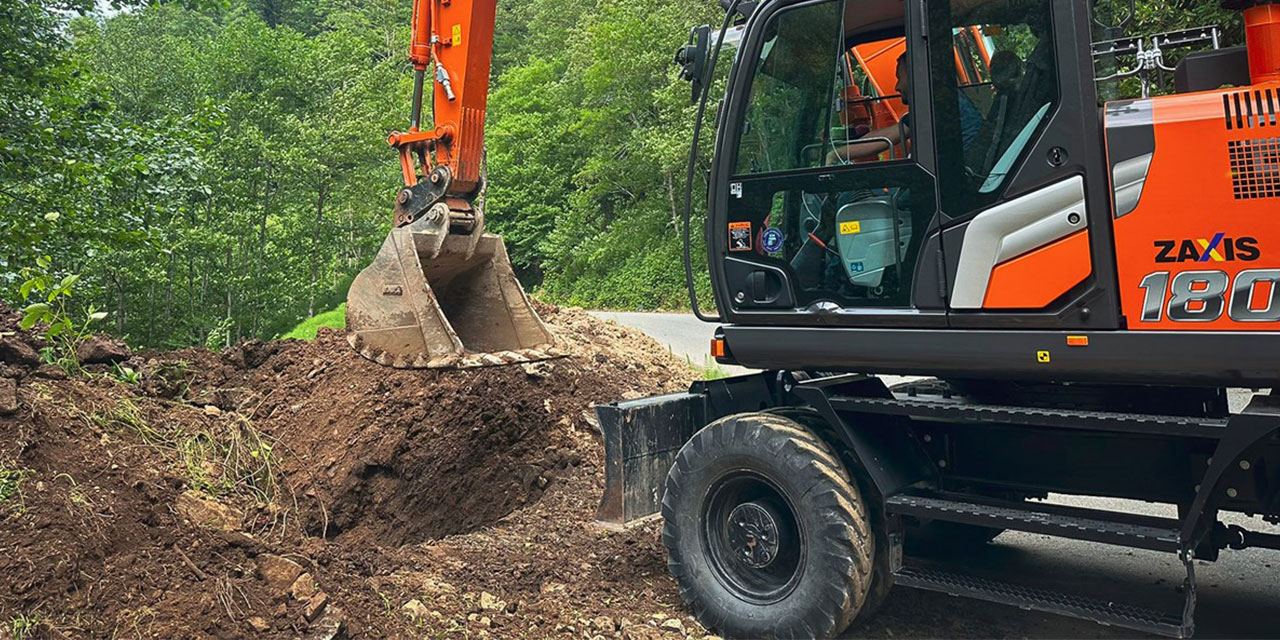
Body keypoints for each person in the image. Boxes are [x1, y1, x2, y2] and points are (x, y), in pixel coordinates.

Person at [825, 51, 984, 164]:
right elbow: (887, 134)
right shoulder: (943, 99)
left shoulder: (937, 106)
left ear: (917, 75)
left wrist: (836, 155)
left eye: (899, 78)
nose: (896, 86)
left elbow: (885, 138)